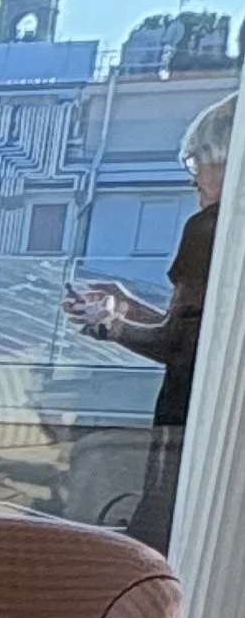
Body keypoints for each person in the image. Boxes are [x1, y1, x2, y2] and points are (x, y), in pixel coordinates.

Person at [66, 94, 230, 550]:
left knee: (164, 530)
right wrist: (129, 306)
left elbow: (179, 346)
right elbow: (195, 331)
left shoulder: (212, 229)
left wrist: (109, 323)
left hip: (188, 414)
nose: (193, 174)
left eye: (198, 162)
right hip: (212, 410)